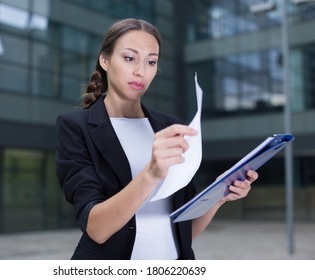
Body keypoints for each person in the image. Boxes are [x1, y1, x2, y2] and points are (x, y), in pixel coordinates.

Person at [55, 18, 258, 260]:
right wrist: (152, 173)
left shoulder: (172, 127)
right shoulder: (76, 127)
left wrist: (218, 196)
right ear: (105, 60)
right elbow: (97, 229)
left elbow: (184, 233)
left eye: (151, 61)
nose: (141, 71)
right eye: (129, 58)